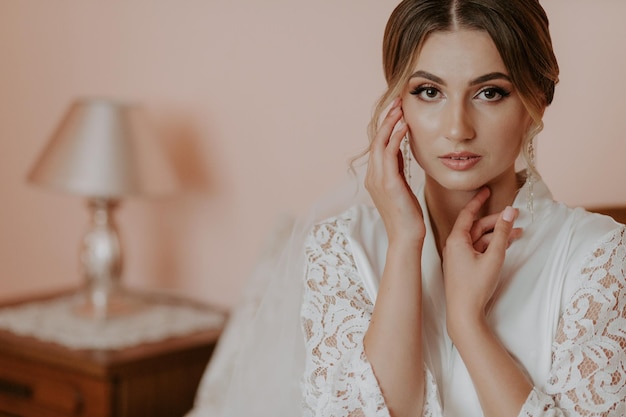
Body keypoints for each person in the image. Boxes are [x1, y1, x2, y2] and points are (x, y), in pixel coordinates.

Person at [300, 1, 626, 416]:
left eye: (489, 93)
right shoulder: (339, 248)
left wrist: (468, 326)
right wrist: (404, 243)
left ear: (535, 103)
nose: (458, 128)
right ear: (399, 102)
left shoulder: (599, 257)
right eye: (429, 92)